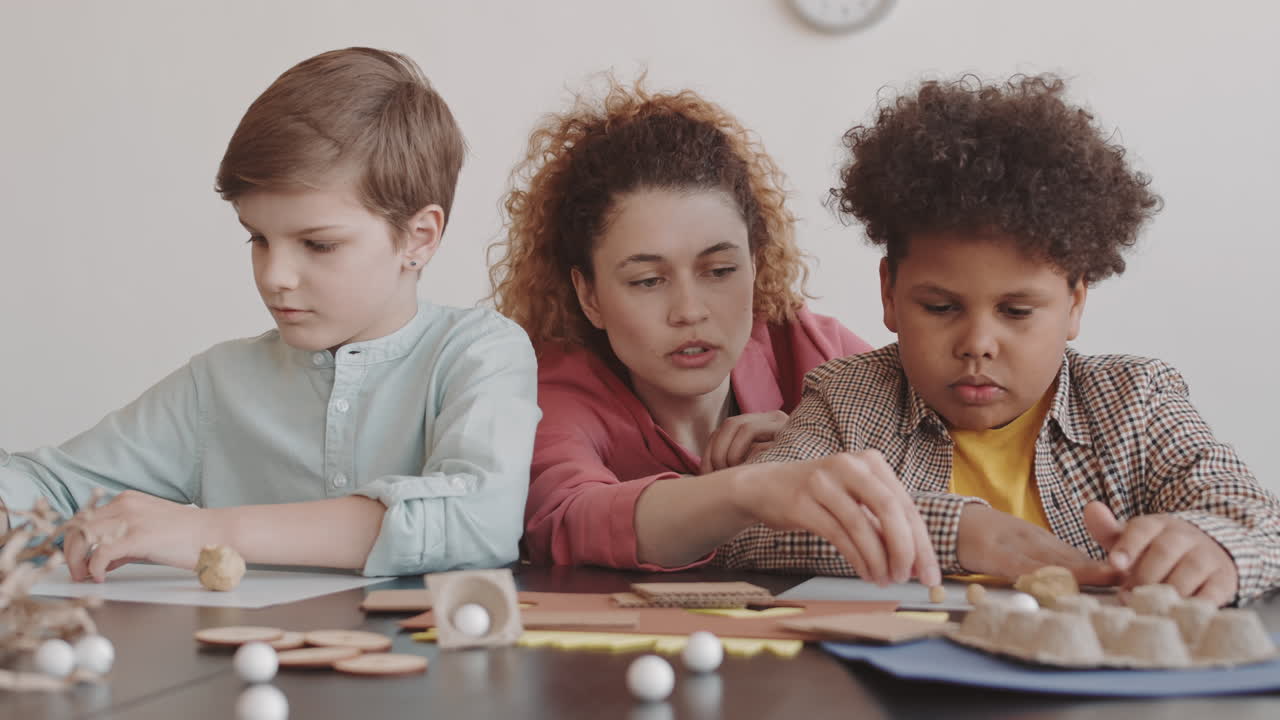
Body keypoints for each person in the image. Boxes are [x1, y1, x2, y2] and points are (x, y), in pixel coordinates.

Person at [719, 74, 1280, 606]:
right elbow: (748, 528)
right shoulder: (849, 402)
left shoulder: (1135, 402)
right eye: (940, 307)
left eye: (1016, 311)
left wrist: (1216, 548)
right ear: (889, 294)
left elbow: (1258, 520)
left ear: (1075, 304)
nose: (978, 344)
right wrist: (957, 532)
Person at [0, 47, 540, 580]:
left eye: (318, 244)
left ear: (419, 238)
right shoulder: (218, 383)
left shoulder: (479, 352)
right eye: (258, 238)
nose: (273, 275)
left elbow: (477, 520)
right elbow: (48, 487)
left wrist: (208, 531)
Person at [489, 79, 939, 586]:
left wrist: (810, 440)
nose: (689, 311)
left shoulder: (817, 352)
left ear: (756, 263)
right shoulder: (551, 389)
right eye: (647, 281)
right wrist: (754, 490)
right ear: (589, 295)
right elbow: (566, 519)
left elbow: (945, 453)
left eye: (720, 271)